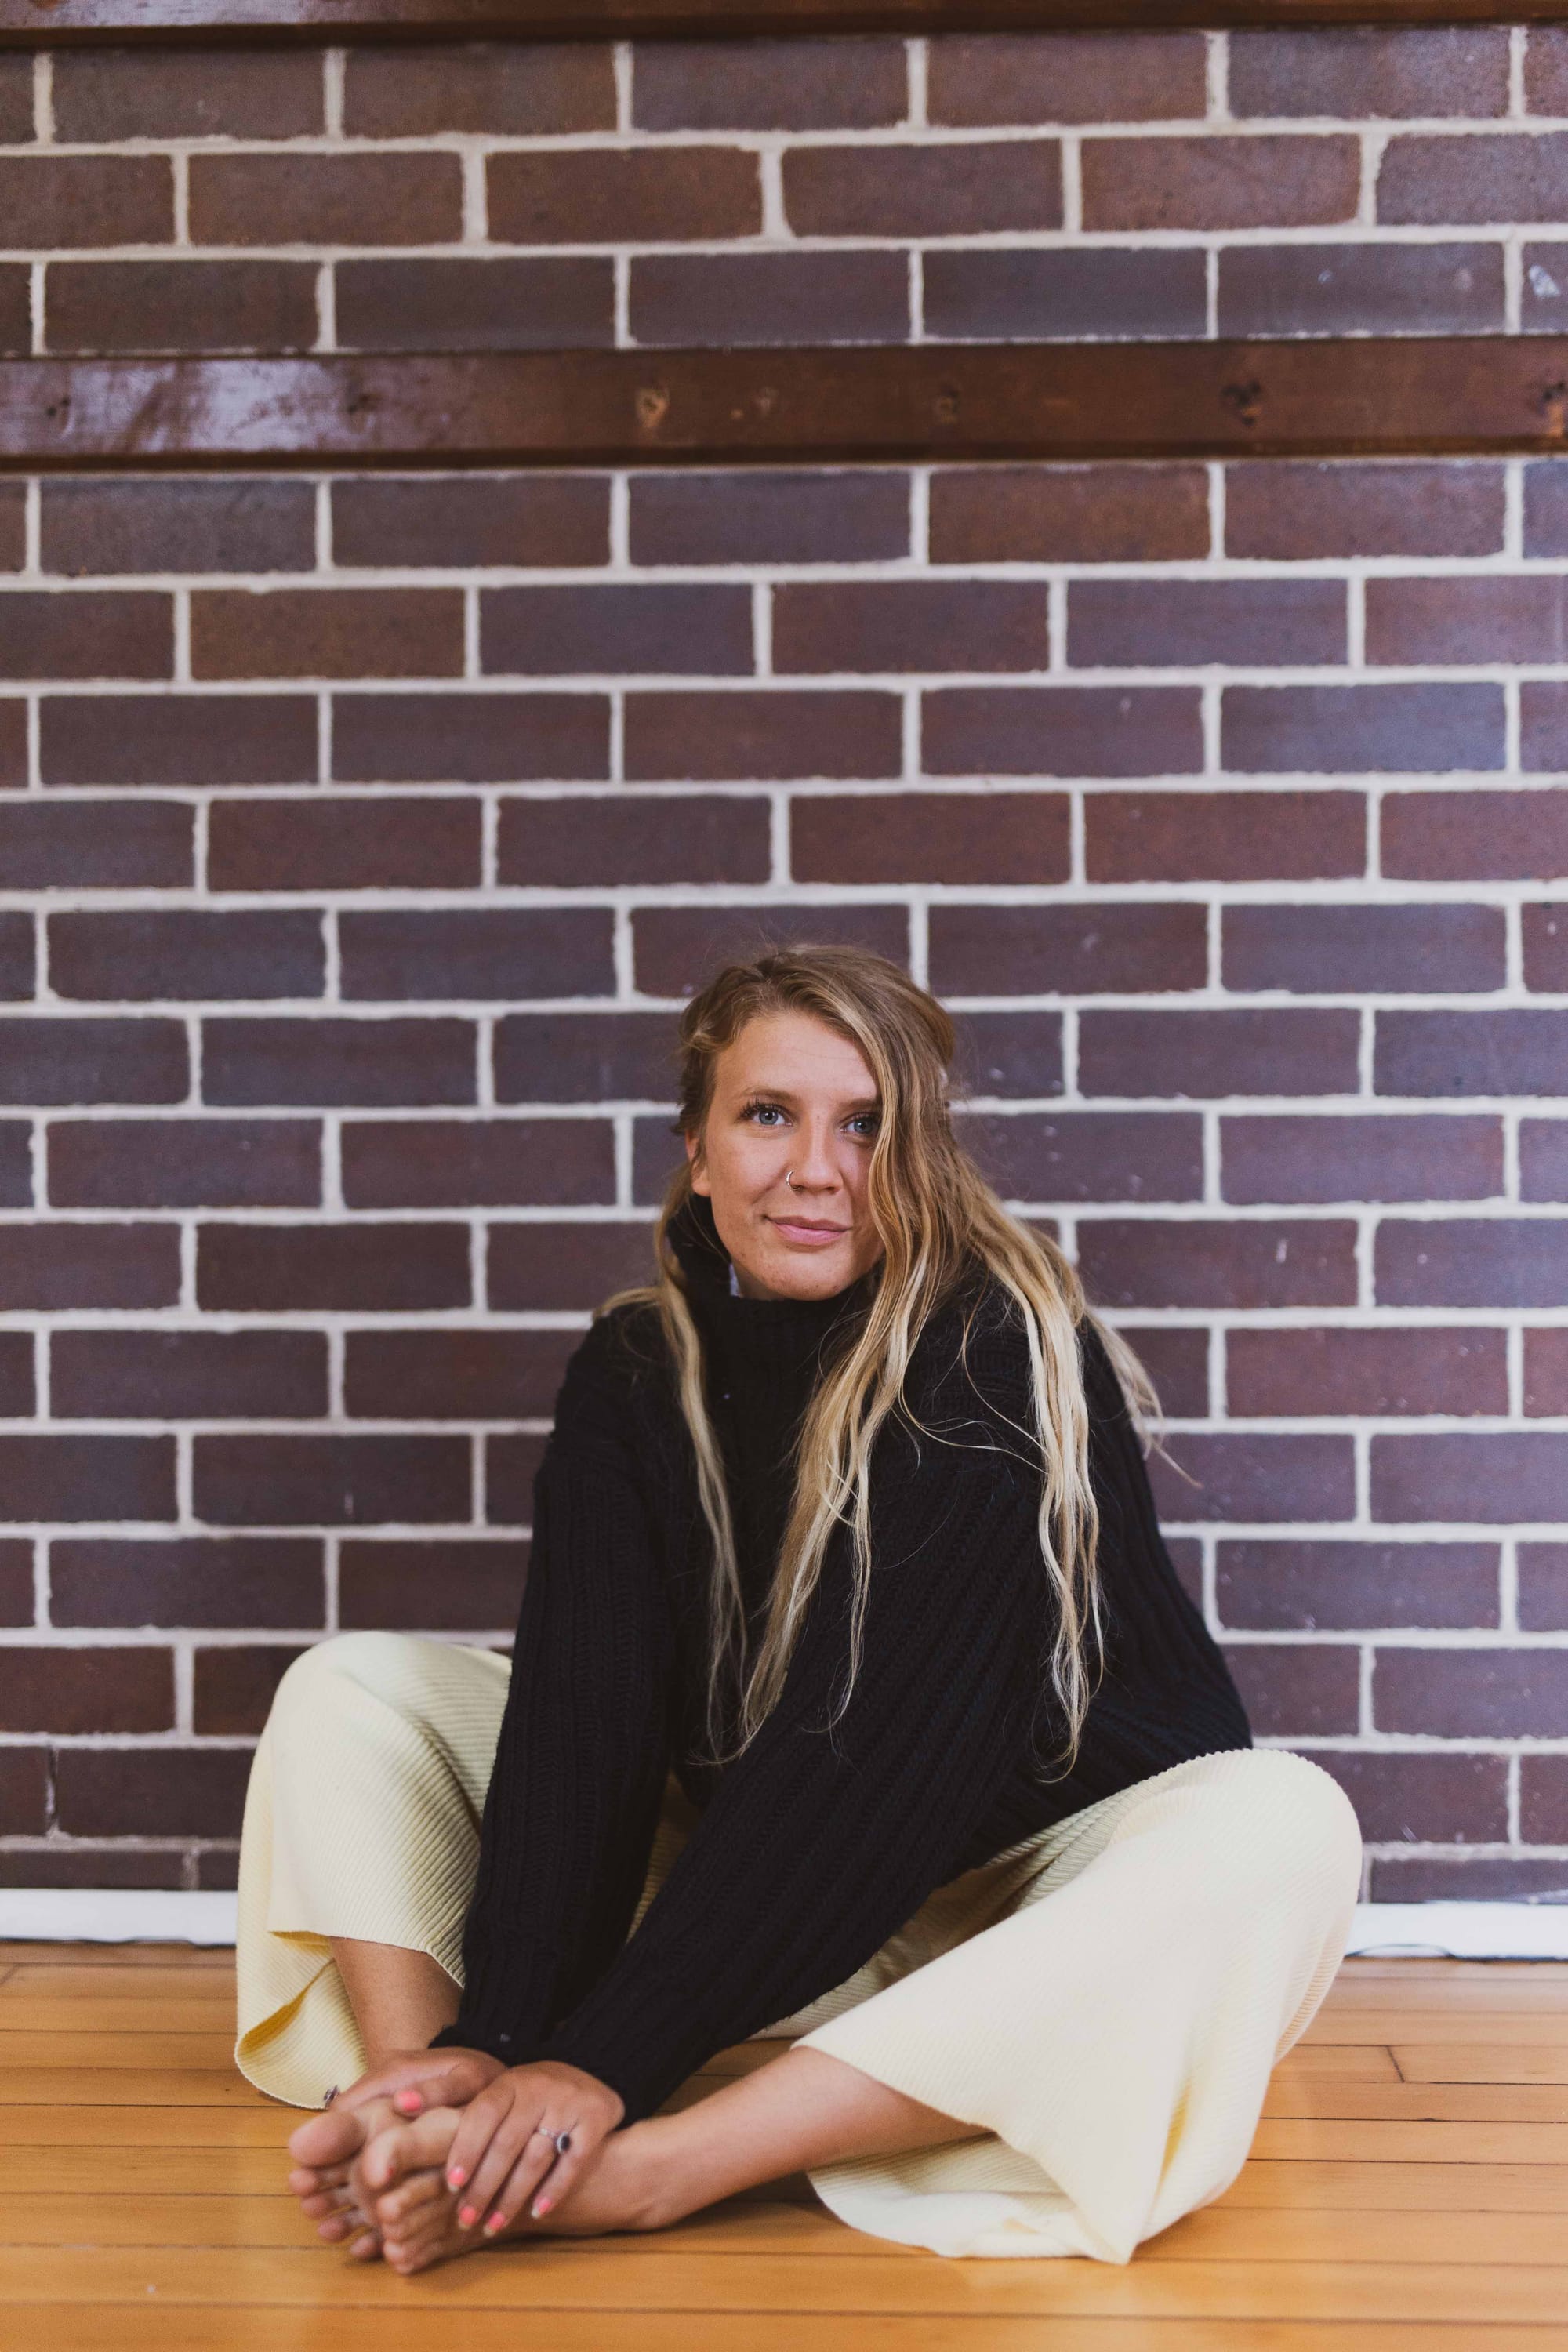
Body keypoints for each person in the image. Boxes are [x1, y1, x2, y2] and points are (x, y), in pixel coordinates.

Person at [235, 945, 1361, 2275]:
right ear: (700, 1150)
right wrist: (506, 2039)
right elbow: (585, 1727)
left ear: (924, 1158)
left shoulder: (993, 1350)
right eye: (769, 1114)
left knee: (1284, 1819)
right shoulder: (637, 1368)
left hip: (1032, 1906)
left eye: (868, 1126)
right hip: (774, 1872)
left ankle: (658, 2171)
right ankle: (437, 2108)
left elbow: (874, 1759)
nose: (818, 1169)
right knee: (351, 1692)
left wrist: (609, 2068)